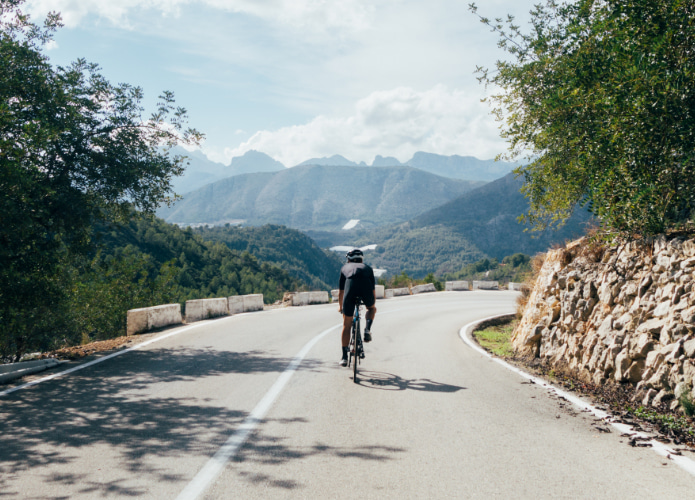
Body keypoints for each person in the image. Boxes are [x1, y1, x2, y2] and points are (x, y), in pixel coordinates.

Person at [338, 248, 377, 366]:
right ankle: (367, 329)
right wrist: (371, 306)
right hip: (365, 287)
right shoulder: (368, 268)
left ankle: (344, 357)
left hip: (350, 288)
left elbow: (341, 291)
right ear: (361, 259)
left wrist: (341, 307)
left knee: (347, 324)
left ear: (348, 259)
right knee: (371, 309)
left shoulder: (344, 268)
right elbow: (373, 291)